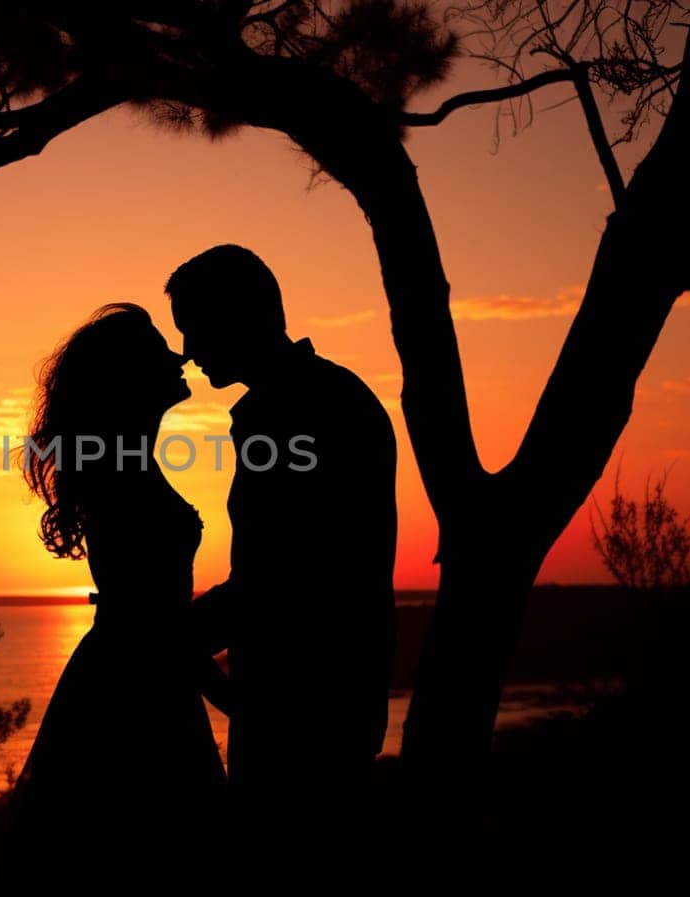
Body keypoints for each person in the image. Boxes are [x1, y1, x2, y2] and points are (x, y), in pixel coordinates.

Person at [166, 244, 396, 853]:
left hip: (303, 713)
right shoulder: (320, 397)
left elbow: (288, 573)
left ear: (238, 315)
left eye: (193, 327)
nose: (188, 349)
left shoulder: (302, 411)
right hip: (319, 706)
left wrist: (176, 636)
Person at [6, 302, 227, 861]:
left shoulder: (129, 462)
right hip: (136, 686)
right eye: (158, 350)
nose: (178, 356)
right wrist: (234, 698)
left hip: (135, 671)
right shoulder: (122, 472)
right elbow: (148, 621)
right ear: (129, 378)